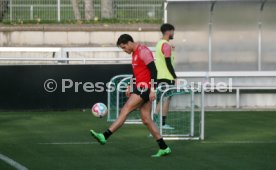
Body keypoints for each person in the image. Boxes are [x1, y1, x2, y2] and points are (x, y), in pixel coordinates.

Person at [90, 34, 171, 157]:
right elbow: (137, 72)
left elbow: (154, 71)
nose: (124, 50)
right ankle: (164, 147)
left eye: (124, 47)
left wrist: (153, 89)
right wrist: (130, 85)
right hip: (140, 87)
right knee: (146, 119)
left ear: (129, 43)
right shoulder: (134, 53)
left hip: (145, 88)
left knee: (125, 109)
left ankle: (105, 136)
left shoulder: (143, 51)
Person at [153, 23, 177, 130]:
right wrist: (175, 76)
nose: (173, 34)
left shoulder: (159, 43)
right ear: (168, 32)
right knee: (166, 99)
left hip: (160, 76)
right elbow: (168, 63)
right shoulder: (166, 45)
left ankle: (154, 122)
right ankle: (162, 124)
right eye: (172, 31)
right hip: (167, 77)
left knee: (161, 100)